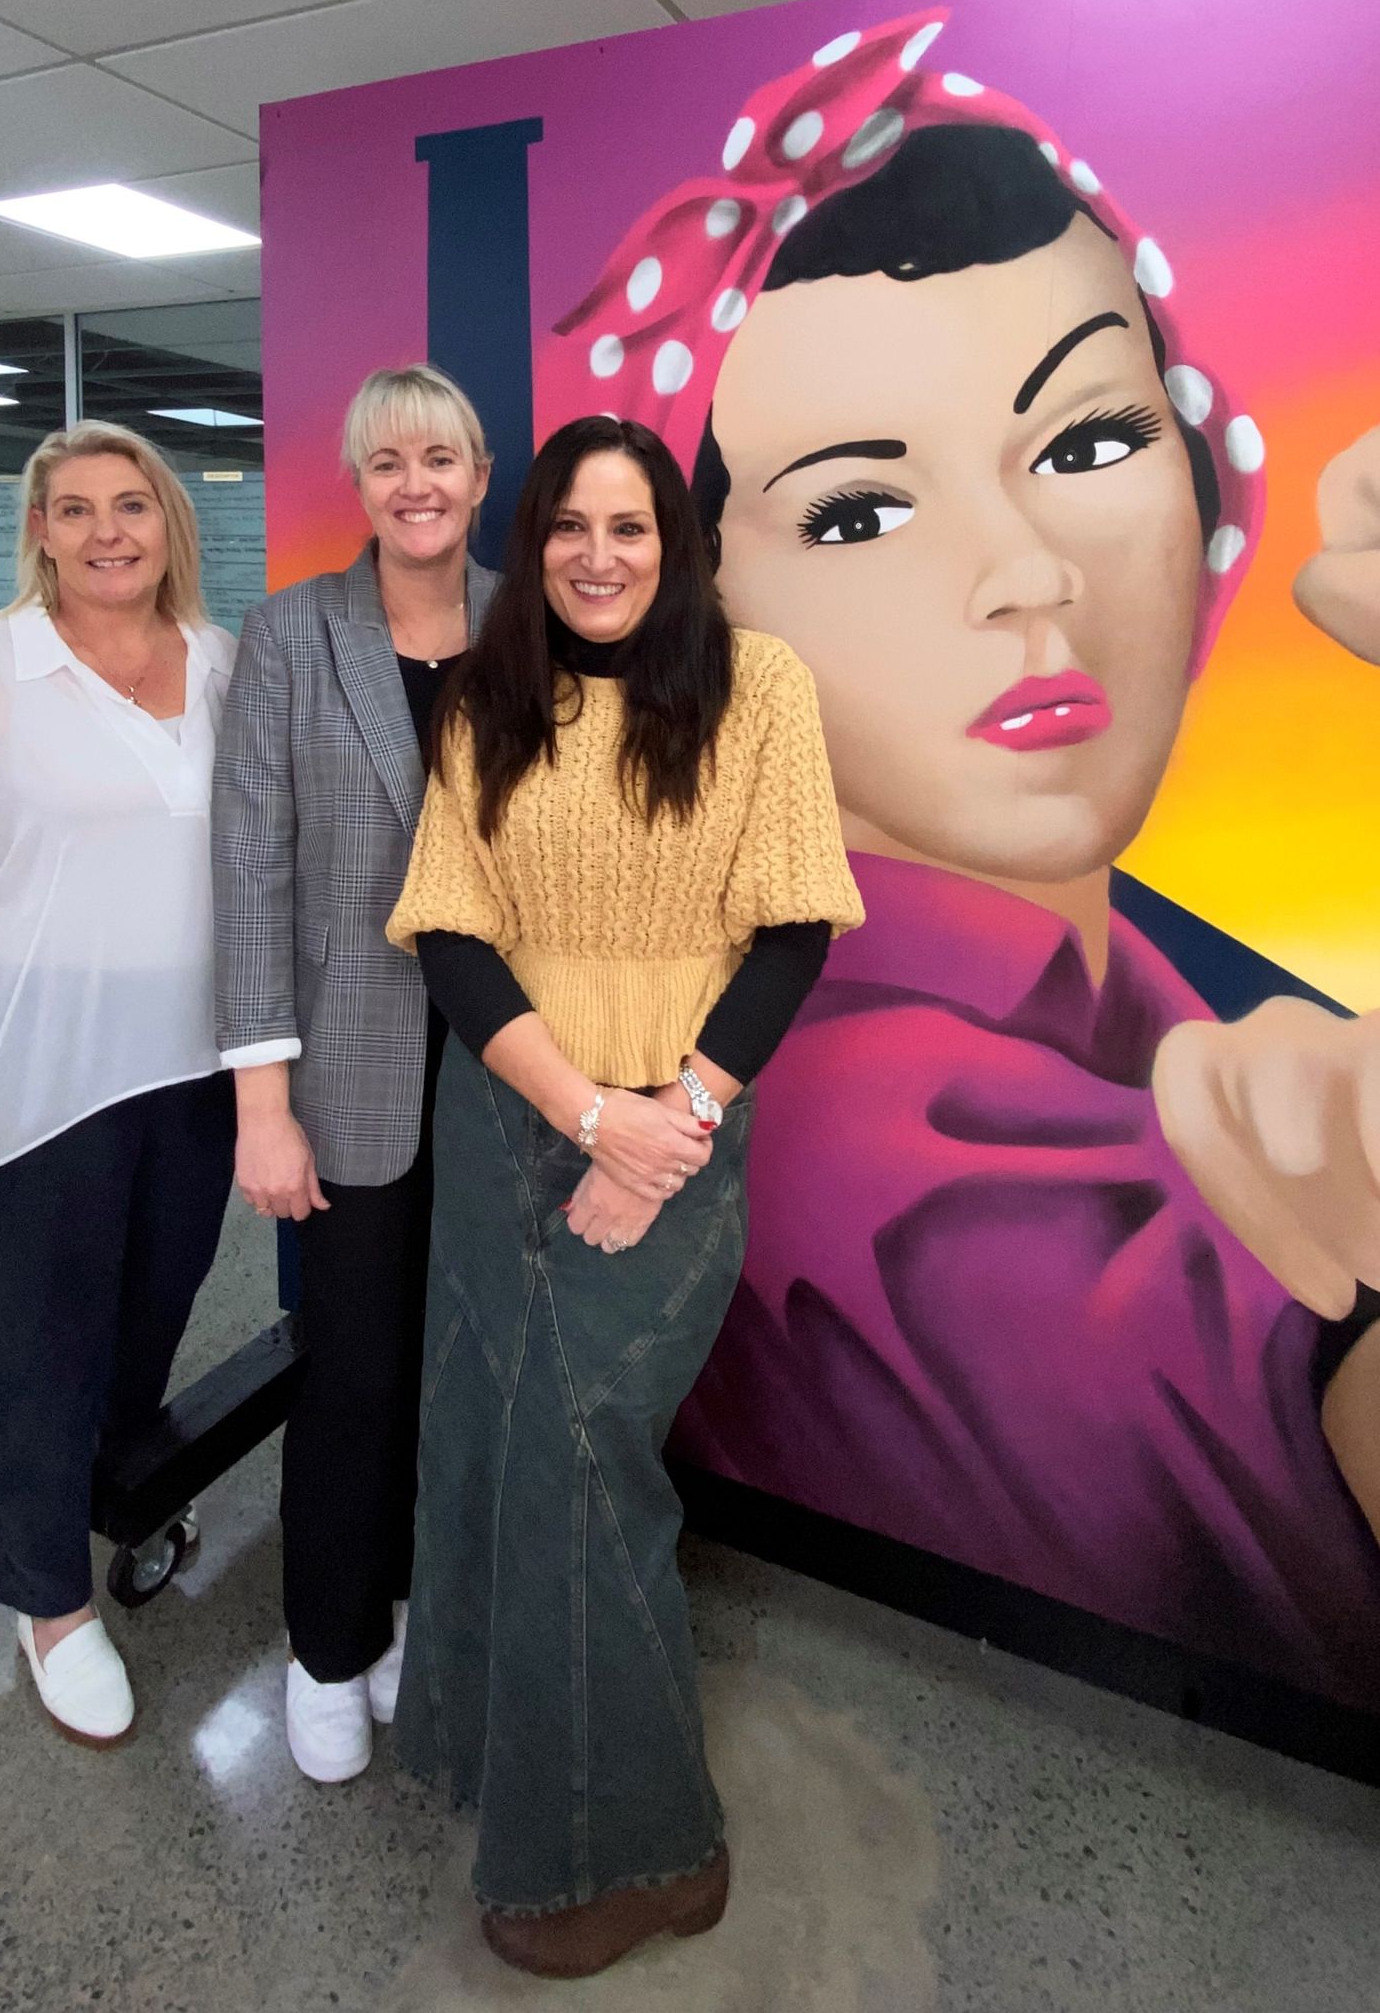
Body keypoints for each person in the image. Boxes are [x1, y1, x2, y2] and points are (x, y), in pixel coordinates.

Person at [554, 11, 1380, 1731]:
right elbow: (1306, 1376)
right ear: (711, 628)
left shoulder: (1152, 973)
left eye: (1091, 443)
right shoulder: (862, 1118)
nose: (1029, 571)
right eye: (859, 513)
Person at [385, 412, 862, 1979]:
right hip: (512, 1111)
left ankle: (650, 1853)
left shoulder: (759, 688)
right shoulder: (489, 700)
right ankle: (494, 1754)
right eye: (572, 527)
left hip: (677, 1121)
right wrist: (583, 1113)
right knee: (484, 1437)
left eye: (632, 527)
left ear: (678, 545)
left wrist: (667, 1125)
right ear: (536, 544)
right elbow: (454, 932)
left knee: (585, 1463)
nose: (600, 556)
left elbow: (793, 932)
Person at [0, 420, 239, 1747]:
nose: (105, 531)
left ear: (168, 524)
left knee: (145, 1326)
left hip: (189, 1077)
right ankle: (48, 1603)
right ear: (39, 532)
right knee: (26, 1350)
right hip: (33, 1083)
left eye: (131, 504)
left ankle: (118, 1497)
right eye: (73, 509)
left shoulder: (221, 663)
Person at [211, 364, 497, 1783]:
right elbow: (251, 873)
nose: (414, 483)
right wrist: (262, 1106)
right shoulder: (292, 633)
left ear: (480, 476)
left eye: (438, 457)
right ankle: (330, 1642)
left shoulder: (533, 625)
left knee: (467, 1368)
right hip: (352, 1075)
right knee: (355, 1374)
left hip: (512, 1074)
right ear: (361, 485)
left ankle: (421, 1612)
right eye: (387, 461)